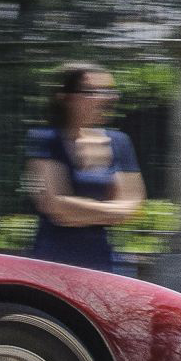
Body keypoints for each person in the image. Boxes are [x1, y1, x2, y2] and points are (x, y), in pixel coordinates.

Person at [25, 63, 145, 273]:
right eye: (93, 92)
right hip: (52, 264)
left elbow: (131, 207)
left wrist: (74, 210)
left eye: (109, 91)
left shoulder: (120, 142)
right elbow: (54, 206)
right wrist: (110, 211)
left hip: (105, 264)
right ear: (66, 98)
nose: (107, 99)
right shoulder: (45, 140)